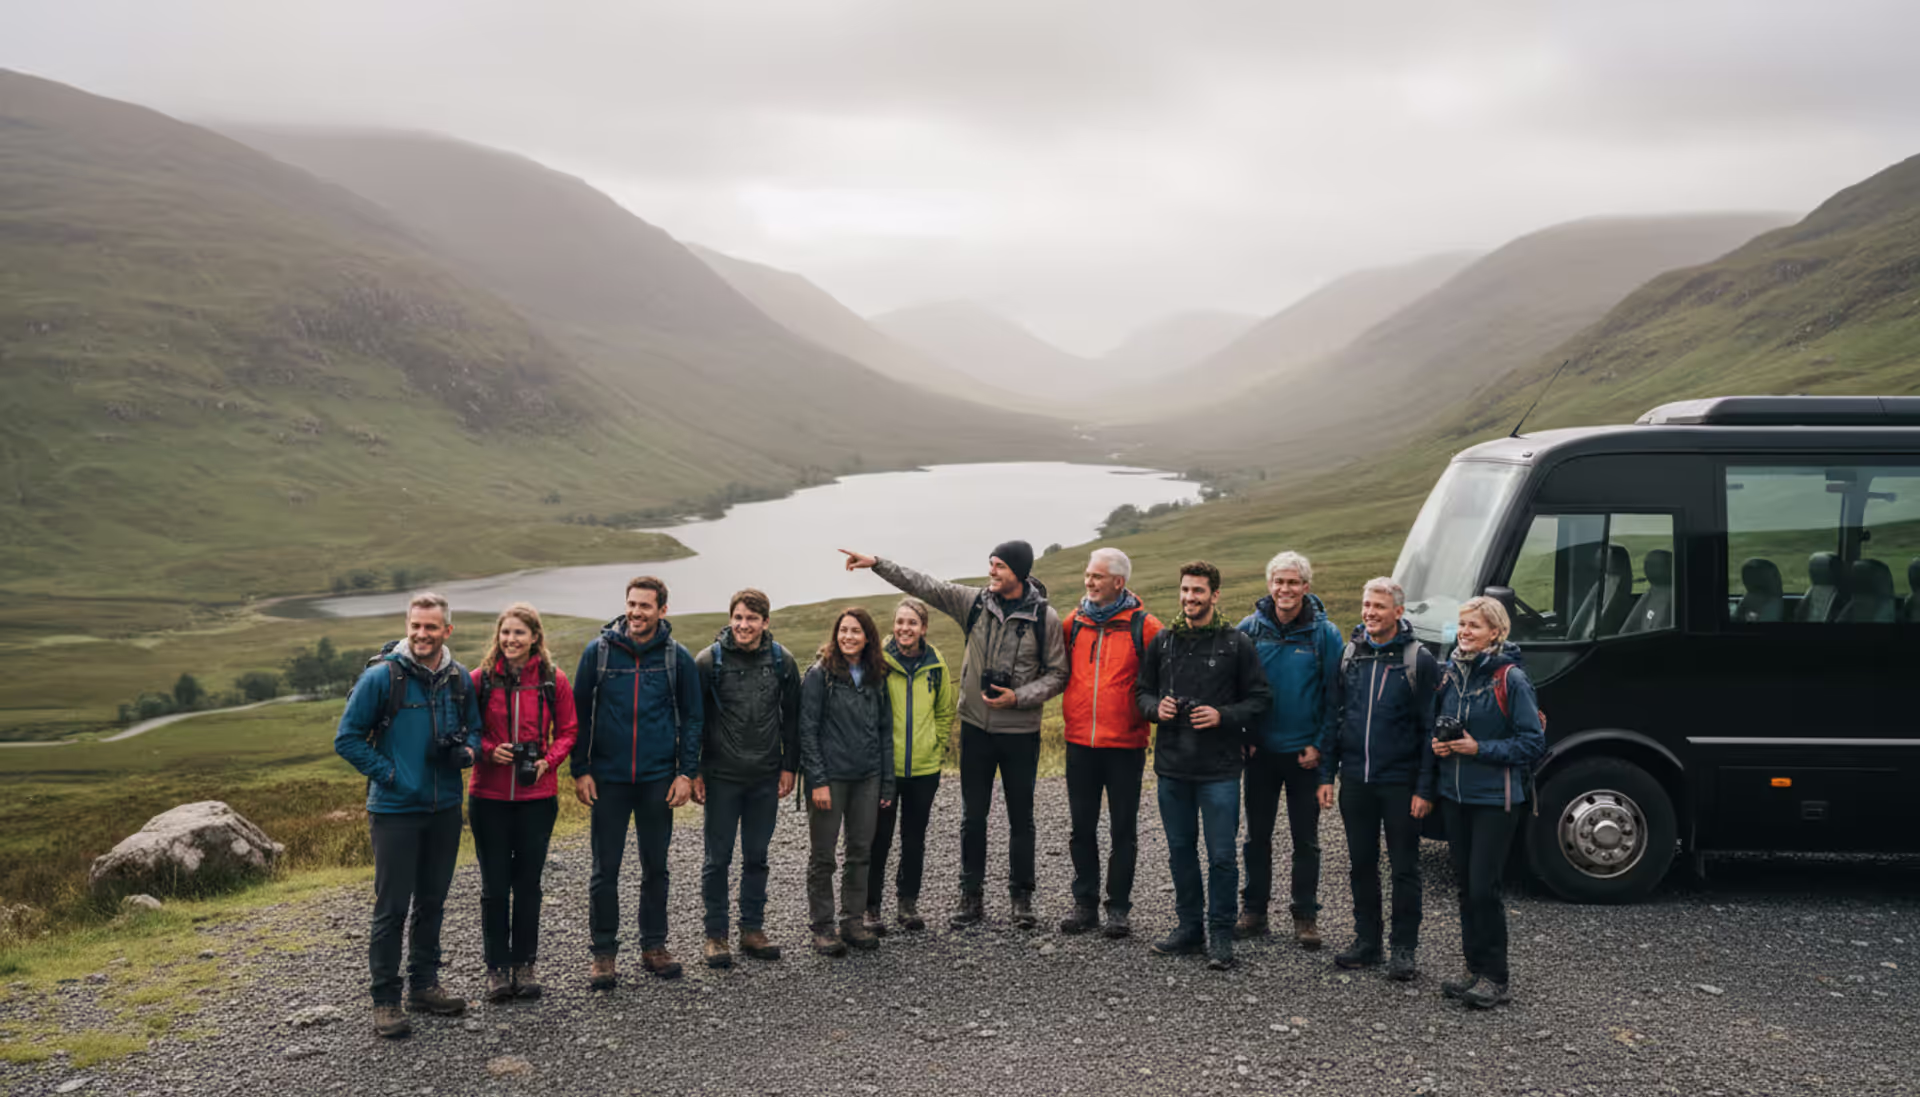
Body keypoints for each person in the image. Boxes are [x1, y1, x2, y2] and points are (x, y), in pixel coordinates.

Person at [841, 541, 1067, 930]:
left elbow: (1058, 674)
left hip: (1020, 731)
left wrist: (1018, 698)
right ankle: (971, 897)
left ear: (1018, 571)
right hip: (976, 731)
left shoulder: (1044, 618)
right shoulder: (974, 603)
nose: (991, 572)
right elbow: (924, 585)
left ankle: (1022, 900)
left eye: (998, 566)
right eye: (990, 565)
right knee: (972, 817)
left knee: (1021, 819)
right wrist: (878, 564)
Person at [333, 592, 482, 1038]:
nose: (421, 634)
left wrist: (469, 750)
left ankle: (424, 985)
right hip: (395, 809)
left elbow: (474, 726)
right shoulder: (383, 678)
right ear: (407, 625)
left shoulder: (458, 679)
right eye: (415, 625)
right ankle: (385, 1000)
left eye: (431, 627)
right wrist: (392, 775)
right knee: (391, 908)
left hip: (444, 808)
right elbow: (347, 739)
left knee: (433, 902)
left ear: (446, 631)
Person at [1136, 561, 1271, 970]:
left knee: (1222, 856)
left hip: (1220, 770)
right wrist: (1155, 709)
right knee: (1180, 852)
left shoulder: (1236, 643)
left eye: (1198, 591)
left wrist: (1222, 716)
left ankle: (1221, 935)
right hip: (1173, 767)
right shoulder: (1163, 642)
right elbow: (1141, 693)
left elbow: (1261, 699)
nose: (1190, 598)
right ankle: (1189, 929)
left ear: (1215, 596)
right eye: (1185, 590)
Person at [571, 575, 703, 988]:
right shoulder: (599, 653)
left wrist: (685, 772)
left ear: (662, 610)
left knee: (656, 867)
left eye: (645, 606)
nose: (636, 612)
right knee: (603, 870)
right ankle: (604, 954)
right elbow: (579, 715)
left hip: (656, 779)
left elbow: (694, 718)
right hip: (608, 779)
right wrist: (580, 770)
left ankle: (654, 947)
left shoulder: (676, 658)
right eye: (631, 604)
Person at [1318, 577, 1441, 981]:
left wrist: (1425, 787)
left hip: (1400, 782)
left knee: (1405, 868)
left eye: (1379, 606)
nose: (1370, 612)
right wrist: (1327, 775)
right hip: (1356, 779)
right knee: (1361, 864)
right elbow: (1335, 716)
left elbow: (1429, 730)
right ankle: (1366, 942)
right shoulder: (1351, 654)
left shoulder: (1417, 660)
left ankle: (1403, 950)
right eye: (1366, 604)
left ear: (1398, 613)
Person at [1432, 595, 1545, 1009]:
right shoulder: (1450, 674)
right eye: (1462, 625)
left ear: (1496, 632)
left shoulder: (1510, 678)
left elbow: (1532, 742)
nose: (1465, 632)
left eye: (1474, 626)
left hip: (1496, 799)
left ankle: (1496, 977)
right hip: (1455, 796)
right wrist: (1440, 747)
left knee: (1484, 888)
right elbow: (1442, 727)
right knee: (1465, 888)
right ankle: (1474, 969)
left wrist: (1479, 748)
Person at [468, 602, 579, 1003]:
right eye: (505, 633)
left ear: (535, 638)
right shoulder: (479, 680)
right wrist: (486, 750)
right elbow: (464, 730)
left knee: (528, 885)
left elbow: (568, 730)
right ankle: (496, 969)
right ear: (497, 637)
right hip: (489, 797)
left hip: (537, 797)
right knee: (495, 886)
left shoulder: (552, 680)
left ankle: (525, 964)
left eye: (519, 633)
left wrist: (548, 762)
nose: (511, 640)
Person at [1235, 550, 1343, 950]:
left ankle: (1305, 916)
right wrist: (1243, 735)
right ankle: (1254, 911)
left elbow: (1336, 699)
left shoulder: (1325, 635)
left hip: (1304, 757)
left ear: (1306, 588)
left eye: (1293, 582)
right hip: (1260, 754)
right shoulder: (1249, 629)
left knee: (1306, 840)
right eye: (1279, 581)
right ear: (1269, 585)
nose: (1285, 589)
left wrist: (1320, 746)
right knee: (1256, 837)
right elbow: (1235, 690)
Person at [692, 589, 801, 969]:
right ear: (730, 618)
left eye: (752, 618)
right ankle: (715, 935)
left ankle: (752, 929)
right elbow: (693, 721)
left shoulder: (781, 661)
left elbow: (793, 719)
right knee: (716, 859)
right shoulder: (709, 662)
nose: (743, 625)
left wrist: (790, 766)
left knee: (757, 856)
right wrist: (696, 772)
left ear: (765, 622)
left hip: (765, 777)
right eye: (738, 617)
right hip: (722, 777)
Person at [1058, 547, 1162, 939]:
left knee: (1123, 830)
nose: (1089, 582)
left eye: (1097, 577)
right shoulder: (1075, 623)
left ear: (1119, 582)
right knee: (1081, 828)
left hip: (1126, 745)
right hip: (1080, 742)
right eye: (1088, 574)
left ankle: (1118, 908)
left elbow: (1160, 680)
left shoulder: (1145, 626)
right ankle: (1084, 905)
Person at [799, 607, 895, 955]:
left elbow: (885, 733)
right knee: (823, 856)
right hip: (831, 779)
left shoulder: (876, 675)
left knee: (860, 852)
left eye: (856, 631)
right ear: (835, 635)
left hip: (867, 778)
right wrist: (818, 781)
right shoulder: (819, 675)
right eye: (843, 631)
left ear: (868, 636)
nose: (848, 637)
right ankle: (823, 927)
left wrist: (886, 784)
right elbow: (807, 731)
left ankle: (852, 921)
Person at [868, 596, 958, 934]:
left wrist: (937, 745)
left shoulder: (936, 664)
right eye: (901, 622)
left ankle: (907, 905)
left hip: (924, 769)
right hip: (886, 770)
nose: (905, 628)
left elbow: (945, 711)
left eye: (912, 623)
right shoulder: (879, 660)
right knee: (879, 839)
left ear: (923, 628)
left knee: (914, 839)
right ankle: (871, 908)